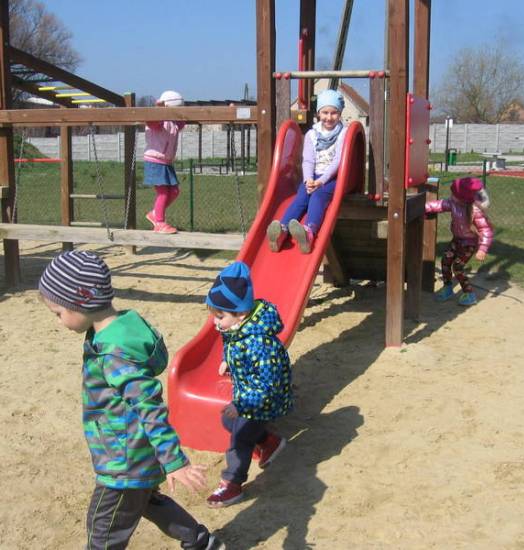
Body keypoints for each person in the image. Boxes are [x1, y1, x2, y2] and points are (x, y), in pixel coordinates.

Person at [38, 250, 224, 550]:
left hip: (123, 462)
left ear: (82, 301)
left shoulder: (115, 353)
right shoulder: (122, 329)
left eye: (58, 313)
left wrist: (174, 461)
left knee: (103, 530)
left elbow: (150, 408)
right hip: (135, 452)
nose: (59, 322)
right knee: (147, 501)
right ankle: (200, 540)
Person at [204, 261, 293, 507]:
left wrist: (241, 405)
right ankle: (270, 442)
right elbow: (230, 344)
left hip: (264, 399)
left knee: (241, 437)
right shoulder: (237, 328)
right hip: (248, 394)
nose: (215, 322)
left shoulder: (259, 343)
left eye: (220, 316)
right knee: (228, 421)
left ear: (241, 314)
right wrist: (226, 360)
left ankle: (232, 484)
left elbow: (266, 385)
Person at [267, 89, 348, 254]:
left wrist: (321, 181)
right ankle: (282, 230)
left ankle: (309, 233)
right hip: (314, 176)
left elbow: (338, 161)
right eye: (325, 112)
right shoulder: (312, 134)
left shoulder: (343, 133)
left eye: (334, 113)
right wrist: (308, 180)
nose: (329, 117)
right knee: (302, 196)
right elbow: (308, 160)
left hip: (334, 178)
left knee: (318, 195)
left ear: (340, 113)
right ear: (318, 113)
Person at [425, 177, 493, 306]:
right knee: (445, 261)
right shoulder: (453, 202)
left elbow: (486, 230)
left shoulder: (475, 210)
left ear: (463, 198)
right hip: (457, 240)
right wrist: (423, 207)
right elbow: (439, 205)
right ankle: (448, 288)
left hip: (469, 244)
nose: (451, 196)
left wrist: (482, 249)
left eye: (454, 194)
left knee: (457, 267)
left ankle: (469, 293)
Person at [144, 90, 186, 234]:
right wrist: (159, 110)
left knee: (174, 191)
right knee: (163, 193)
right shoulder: (159, 120)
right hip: (155, 160)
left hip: (166, 162)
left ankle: (154, 213)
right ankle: (159, 223)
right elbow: (151, 122)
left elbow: (183, 121)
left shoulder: (174, 123)